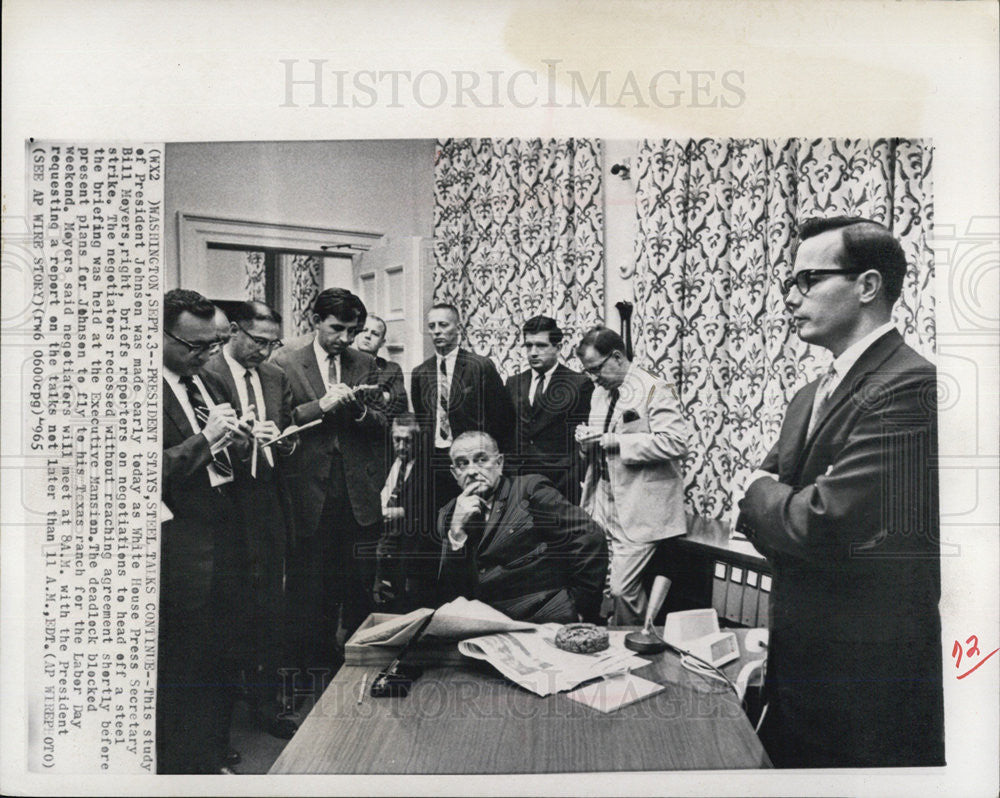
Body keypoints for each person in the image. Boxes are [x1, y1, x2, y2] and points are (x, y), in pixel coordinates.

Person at [736, 216, 944, 768]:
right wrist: (777, 508)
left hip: (866, 681)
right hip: (797, 669)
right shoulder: (808, 394)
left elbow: (822, 521)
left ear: (868, 286)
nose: (789, 297)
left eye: (808, 280)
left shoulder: (912, 385)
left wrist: (761, 492)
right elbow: (762, 523)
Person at [272, 288, 388, 671]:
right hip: (308, 495)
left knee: (356, 587)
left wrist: (356, 411)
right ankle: (308, 668)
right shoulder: (284, 360)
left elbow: (382, 423)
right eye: (337, 329)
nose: (345, 339)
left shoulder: (364, 361)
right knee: (309, 590)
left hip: (357, 496)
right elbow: (276, 426)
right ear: (315, 320)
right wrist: (318, 407)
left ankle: (355, 666)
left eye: (352, 331)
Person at [159, 289, 249, 773]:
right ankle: (183, 765)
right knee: (184, 663)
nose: (207, 355)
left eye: (213, 345)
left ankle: (213, 752)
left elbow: (219, 446)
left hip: (226, 532)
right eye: (195, 347)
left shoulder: (205, 380)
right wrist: (206, 439)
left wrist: (239, 437)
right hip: (181, 548)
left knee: (222, 653)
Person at [202, 300, 298, 741]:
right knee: (228, 610)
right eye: (259, 342)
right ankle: (223, 719)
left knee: (271, 607)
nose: (266, 351)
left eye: (272, 343)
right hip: (225, 508)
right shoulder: (206, 374)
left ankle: (265, 702)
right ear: (235, 331)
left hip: (268, 504)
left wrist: (282, 441)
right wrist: (240, 441)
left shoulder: (276, 376)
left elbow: (289, 437)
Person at [576, 326, 691, 626]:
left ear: (616, 356)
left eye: (596, 369)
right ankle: (614, 636)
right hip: (602, 504)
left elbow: (677, 442)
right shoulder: (600, 395)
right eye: (587, 372)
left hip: (640, 510)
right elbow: (598, 444)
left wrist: (616, 441)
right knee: (601, 583)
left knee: (622, 588)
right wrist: (585, 442)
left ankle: (636, 642)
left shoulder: (655, 388)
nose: (593, 378)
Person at [437, 432, 607, 623]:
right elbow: (450, 592)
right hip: (486, 625)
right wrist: (457, 533)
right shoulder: (449, 514)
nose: (472, 471)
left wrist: (579, 607)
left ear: (499, 463)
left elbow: (591, 538)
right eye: (462, 464)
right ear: (454, 473)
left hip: (545, 619)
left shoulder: (529, 490)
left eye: (481, 460)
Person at [410, 303, 516, 589]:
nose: (437, 332)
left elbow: (503, 419)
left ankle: (474, 590)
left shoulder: (480, 367)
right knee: (438, 529)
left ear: (459, 328)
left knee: (475, 527)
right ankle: (439, 591)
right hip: (436, 465)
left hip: (472, 466)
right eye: (432, 326)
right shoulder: (421, 373)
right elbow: (423, 421)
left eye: (443, 325)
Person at [505, 315, 593, 503]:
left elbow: (584, 438)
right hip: (519, 484)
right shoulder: (514, 383)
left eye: (541, 345)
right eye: (529, 346)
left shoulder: (579, 384)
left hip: (561, 484)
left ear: (558, 348)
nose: (533, 352)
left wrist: (572, 477)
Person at [372, 413, 433, 611]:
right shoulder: (387, 462)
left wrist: (398, 513)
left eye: (407, 441)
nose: (401, 446)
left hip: (408, 544)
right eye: (396, 440)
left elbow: (429, 511)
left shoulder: (427, 469)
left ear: (418, 440)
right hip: (378, 536)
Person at [354, 313, 408, 420]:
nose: (367, 336)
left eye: (375, 334)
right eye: (364, 330)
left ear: (382, 343)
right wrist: (383, 396)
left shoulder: (392, 369)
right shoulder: (342, 363)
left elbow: (399, 407)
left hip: (378, 430)